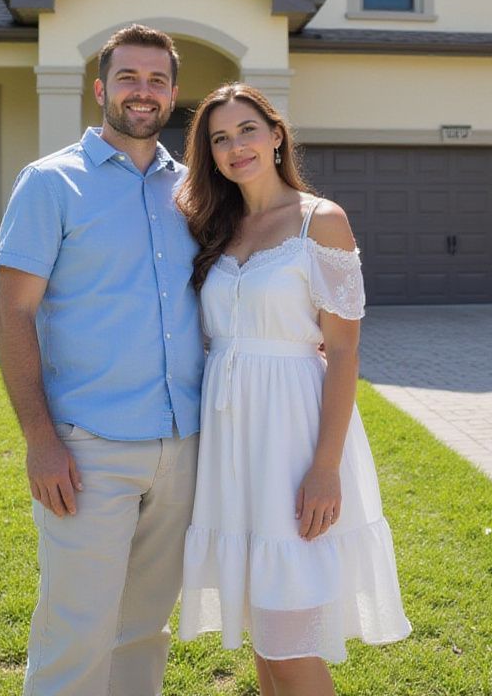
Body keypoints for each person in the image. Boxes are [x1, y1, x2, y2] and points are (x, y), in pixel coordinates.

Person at [176, 83, 411, 696]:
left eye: (247, 130)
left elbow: (344, 350)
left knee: (290, 639)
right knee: (263, 632)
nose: (236, 147)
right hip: (232, 442)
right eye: (220, 139)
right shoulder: (215, 227)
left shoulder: (320, 221)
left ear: (276, 134)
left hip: (292, 433)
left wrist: (325, 467)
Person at [0, 24, 203, 696]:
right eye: (128, 78)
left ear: (173, 93)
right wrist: (40, 442)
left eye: (157, 80)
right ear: (100, 88)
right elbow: (15, 313)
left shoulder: (196, 192)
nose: (143, 92)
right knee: (75, 633)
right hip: (88, 451)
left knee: (144, 629)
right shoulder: (51, 183)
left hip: (185, 446)